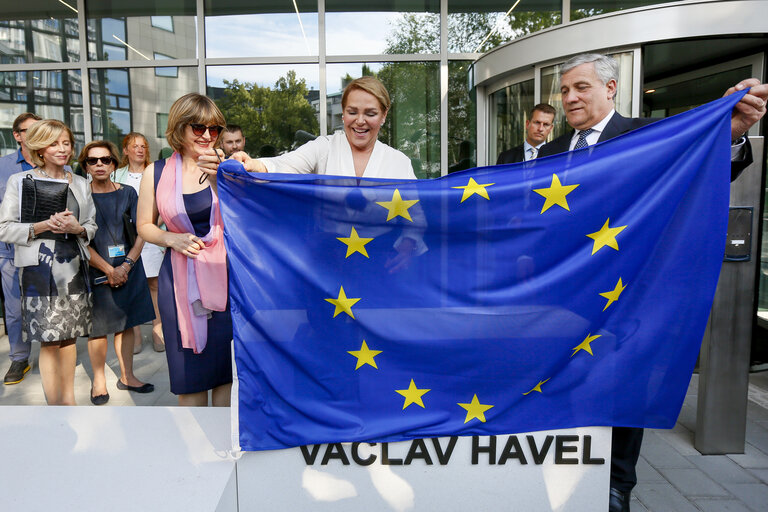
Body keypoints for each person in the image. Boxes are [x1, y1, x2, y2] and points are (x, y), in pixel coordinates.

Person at [537, 53, 768, 512]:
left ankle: (617, 483)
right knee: (566, 380)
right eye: (564, 90)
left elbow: (699, 170)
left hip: (629, 293)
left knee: (623, 382)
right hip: (564, 296)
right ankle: (563, 468)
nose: (569, 98)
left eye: (580, 87)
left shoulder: (649, 135)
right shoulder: (548, 151)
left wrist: (729, 130)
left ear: (610, 89)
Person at [136, 93, 232, 407]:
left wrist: (222, 181)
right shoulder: (157, 172)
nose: (208, 136)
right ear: (179, 128)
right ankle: (193, 449)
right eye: (198, 128)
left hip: (225, 276)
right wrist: (171, 239)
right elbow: (144, 226)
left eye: (215, 129)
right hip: (178, 278)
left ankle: (224, 447)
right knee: (190, 371)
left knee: (225, 371)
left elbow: (246, 220)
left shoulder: (230, 168)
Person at [0, 119, 97, 405]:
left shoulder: (80, 182)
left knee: (69, 337)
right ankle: (54, 407)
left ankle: (68, 402)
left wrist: (77, 228)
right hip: (38, 269)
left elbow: (91, 226)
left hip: (74, 268)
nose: (63, 149)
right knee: (49, 338)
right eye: (55, 143)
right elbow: (4, 228)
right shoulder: (20, 181)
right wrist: (42, 226)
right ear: (40, 147)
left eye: (66, 142)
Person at [221, 76, 416, 179]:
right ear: (343, 112)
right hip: (326, 250)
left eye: (370, 114)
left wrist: (403, 249)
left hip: (382, 253)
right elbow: (284, 165)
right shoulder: (324, 148)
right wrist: (253, 164)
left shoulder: (400, 163)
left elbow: (416, 219)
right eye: (353, 112)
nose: (360, 121)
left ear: (384, 115)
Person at [80, 141, 155, 405]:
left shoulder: (129, 193)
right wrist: (110, 269)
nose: (99, 164)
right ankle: (99, 381)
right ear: (85, 165)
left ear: (114, 163)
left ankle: (128, 376)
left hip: (129, 267)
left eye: (105, 159)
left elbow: (142, 231)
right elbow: (80, 241)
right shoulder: (80, 195)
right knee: (98, 329)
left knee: (127, 322)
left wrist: (126, 266)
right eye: (93, 160)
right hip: (96, 268)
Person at [114, 132, 165, 354]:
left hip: (153, 235)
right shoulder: (116, 175)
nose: (140, 149)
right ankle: (134, 334)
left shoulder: (157, 173)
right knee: (131, 286)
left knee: (154, 284)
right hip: (126, 239)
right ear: (125, 150)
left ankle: (158, 330)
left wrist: (149, 225)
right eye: (134, 146)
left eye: (143, 146)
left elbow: (166, 204)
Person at [0, 113, 41, 385]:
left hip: (46, 248)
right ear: (17, 135)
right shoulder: (3, 166)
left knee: (49, 303)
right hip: (10, 249)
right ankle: (19, 358)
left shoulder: (54, 163)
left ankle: (57, 348)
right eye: (31, 130)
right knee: (15, 309)